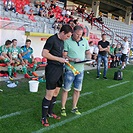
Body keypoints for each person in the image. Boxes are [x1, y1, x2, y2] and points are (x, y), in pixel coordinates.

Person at [41, 25, 73, 127]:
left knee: (56, 92)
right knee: (49, 94)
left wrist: (68, 58)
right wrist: (58, 59)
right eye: (67, 36)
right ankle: (43, 118)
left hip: (60, 69)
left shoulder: (62, 41)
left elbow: (61, 54)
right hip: (52, 69)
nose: (68, 38)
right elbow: (44, 53)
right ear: (62, 33)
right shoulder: (52, 39)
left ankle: (50, 113)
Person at [61, 26, 90, 117]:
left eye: (80, 34)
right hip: (70, 69)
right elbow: (64, 55)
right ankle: (63, 107)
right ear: (73, 32)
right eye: (77, 34)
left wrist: (89, 58)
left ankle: (74, 107)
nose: (78, 36)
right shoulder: (67, 41)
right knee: (66, 89)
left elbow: (88, 52)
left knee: (77, 90)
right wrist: (73, 59)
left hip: (80, 70)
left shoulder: (84, 41)